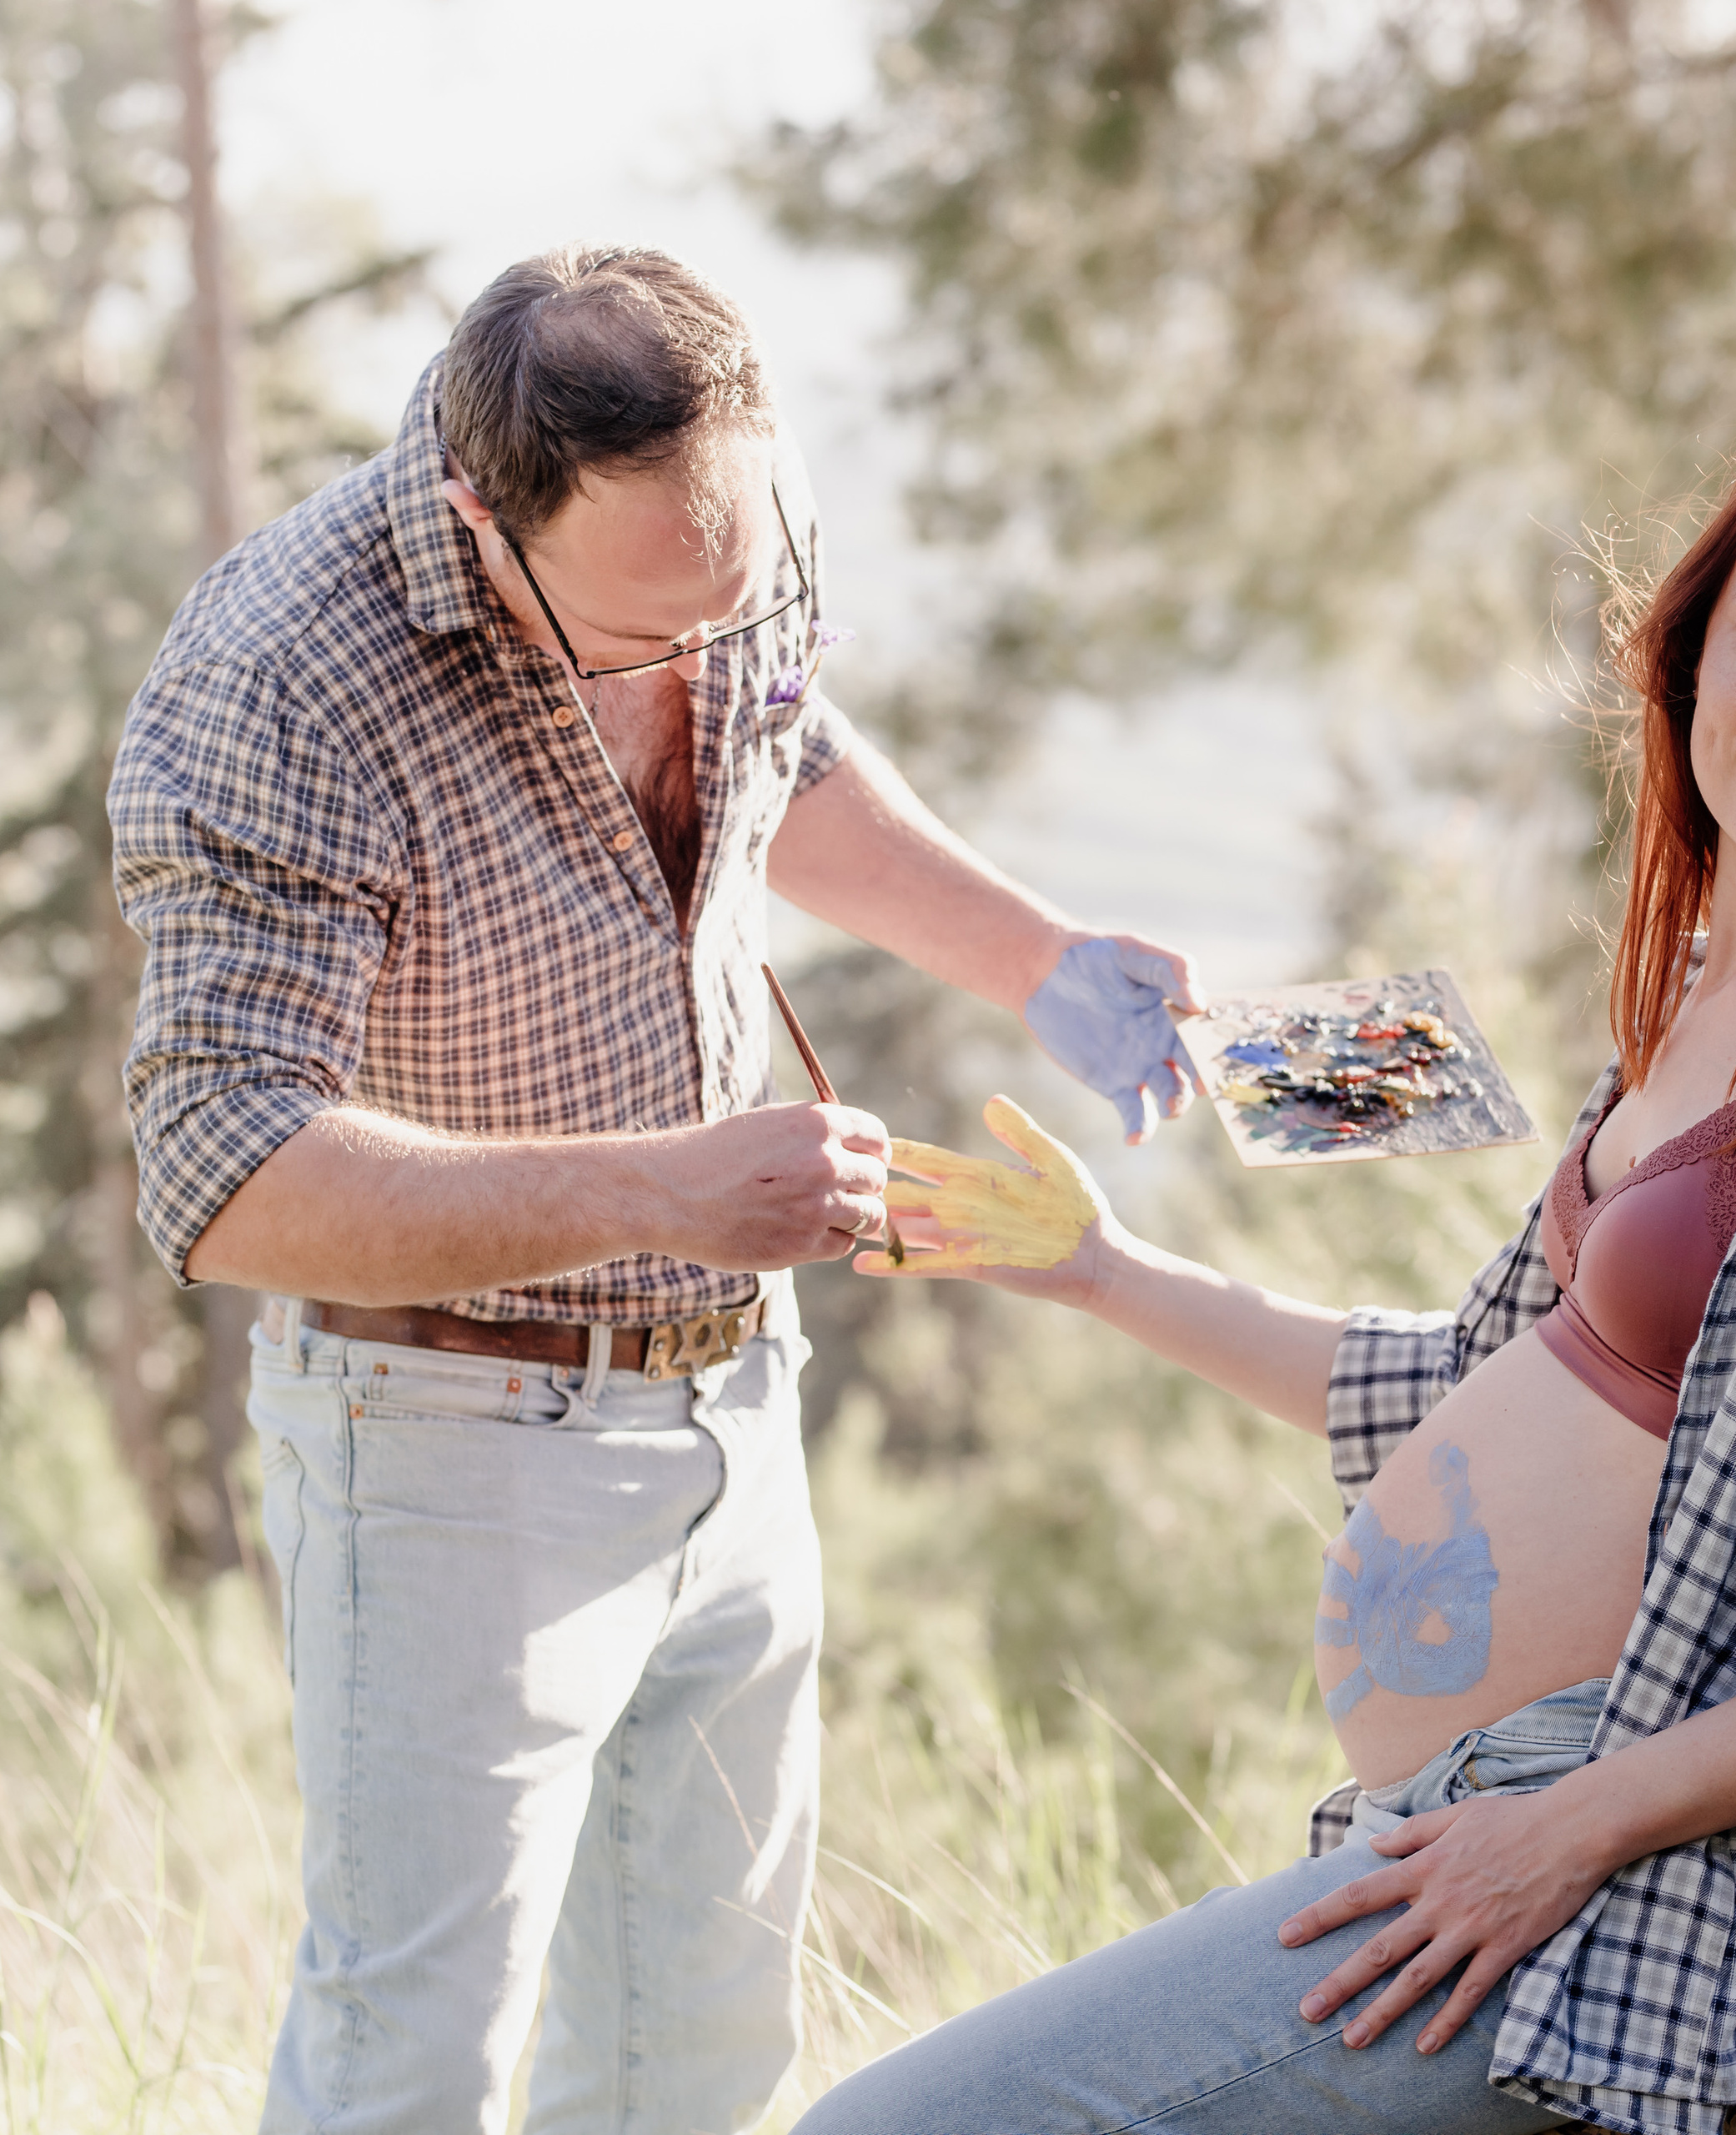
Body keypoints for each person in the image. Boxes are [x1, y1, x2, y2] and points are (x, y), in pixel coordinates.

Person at [795, 403, 1736, 2135]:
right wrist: (1099, 1270)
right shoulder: (1695, 1019)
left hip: (1622, 1889)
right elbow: (1463, 1385)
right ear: (1690, 651)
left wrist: (1553, 1830)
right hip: (1466, 1823)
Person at [107, 244, 1206, 2135]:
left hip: (735, 1406)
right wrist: (665, 1190)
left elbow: (790, 750)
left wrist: (1038, 956)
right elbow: (223, 1170)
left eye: (739, 596)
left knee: (696, 2065)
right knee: (410, 2068)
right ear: (484, 521)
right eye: (639, 634)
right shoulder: (278, 673)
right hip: (445, 1435)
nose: (703, 650)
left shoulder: (714, 541)